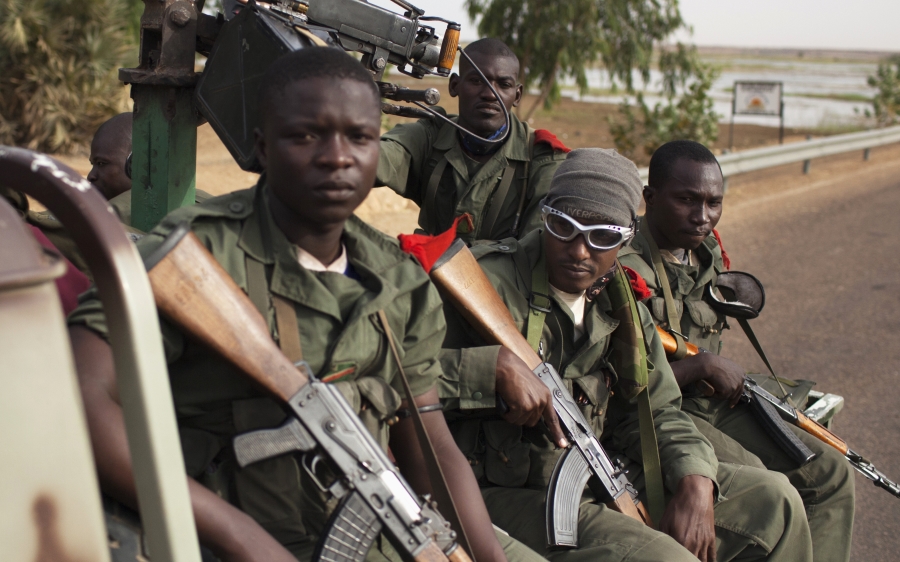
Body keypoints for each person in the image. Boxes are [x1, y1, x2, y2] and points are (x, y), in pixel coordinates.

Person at [67, 46, 535, 562]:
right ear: (263, 147)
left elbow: (431, 445)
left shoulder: (398, 281)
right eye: (306, 135)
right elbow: (82, 396)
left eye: (359, 137)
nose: (337, 156)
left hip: (370, 529)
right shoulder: (195, 256)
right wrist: (235, 535)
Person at [438, 148, 813, 562]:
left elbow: (655, 406)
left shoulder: (617, 298)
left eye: (602, 237)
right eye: (563, 228)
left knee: (776, 501)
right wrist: (488, 371)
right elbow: (391, 376)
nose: (580, 251)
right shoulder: (483, 285)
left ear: (626, 238)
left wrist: (694, 476)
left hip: (598, 469)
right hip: (495, 490)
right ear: (545, 217)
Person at [617, 140, 855, 562]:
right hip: (662, 408)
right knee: (765, 487)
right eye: (687, 200)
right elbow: (619, 381)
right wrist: (703, 365)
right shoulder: (623, 266)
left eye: (714, 203)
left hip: (714, 401)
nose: (702, 216)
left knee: (831, 472)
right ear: (650, 198)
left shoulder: (703, 249)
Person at [376, 38, 568, 243]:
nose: (489, 94)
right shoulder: (431, 135)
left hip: (500, 275)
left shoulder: (542, 160)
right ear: (455, 85)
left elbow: (539, 250)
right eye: (477, 81)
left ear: (517, 95)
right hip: (427, 268)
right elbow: (374, 158)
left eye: (503, 85)